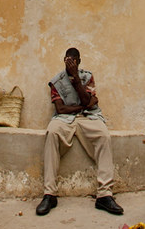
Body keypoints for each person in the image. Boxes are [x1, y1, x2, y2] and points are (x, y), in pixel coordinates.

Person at [36, 47, 123, 216]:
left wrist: (76, 78)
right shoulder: (57, 82)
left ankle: (105, 195)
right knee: (52, 133)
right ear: (64, 60)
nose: (71, 63)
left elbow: (87, 100)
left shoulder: (87, 77)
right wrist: (85, 104)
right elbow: (61, 109)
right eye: (68, 60)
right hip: (65, 118)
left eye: (74, 60)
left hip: (88, 117)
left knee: (103, 135)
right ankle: (49, 194)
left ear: (79, 62)